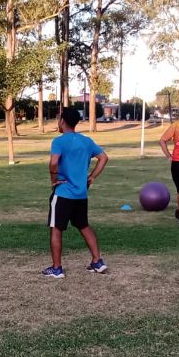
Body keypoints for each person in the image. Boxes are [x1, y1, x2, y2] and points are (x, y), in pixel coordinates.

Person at [43, 107, 109, 278]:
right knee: (84, 226)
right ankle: (97, 261)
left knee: (56, 229)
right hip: (81, 194)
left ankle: (57, 269)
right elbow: (103, 157)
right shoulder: (86, 141)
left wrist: (53, 179)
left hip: (63, 193)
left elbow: (53, 163)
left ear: (62, 121)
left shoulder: (59, 141)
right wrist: (92, 177)